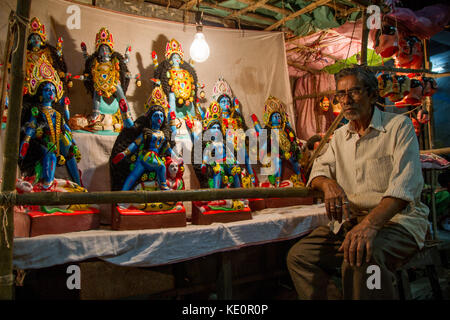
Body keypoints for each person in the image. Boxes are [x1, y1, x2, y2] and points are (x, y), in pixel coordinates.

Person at [286, 66, 429, 300]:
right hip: (353, 223)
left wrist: (371, 225)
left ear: (372, 94)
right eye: (341, 94)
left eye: (354, 92)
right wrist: (328, 185)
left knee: (362, 258)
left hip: (397, 222)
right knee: (300, 256)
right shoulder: (340, 137)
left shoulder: (398, 127)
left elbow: (406, 185)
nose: (346, 100)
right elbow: (319, 169)